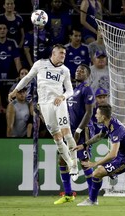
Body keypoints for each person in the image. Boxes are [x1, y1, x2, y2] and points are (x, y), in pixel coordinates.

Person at [8, 44, 79, 180]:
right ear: (53, 53)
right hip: (45, 105)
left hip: (59, 103)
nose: (63, 55)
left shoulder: (65, 70)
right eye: (61, 53)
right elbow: (27, 78)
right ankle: (70, 163)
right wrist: (15, 90)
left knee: (67, 134)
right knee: (57, 138)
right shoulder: (40, 64)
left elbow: (70, 90)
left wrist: (62, 96)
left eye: (64, 53)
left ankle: (75, 165)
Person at [73, 103, 125, 206]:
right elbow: (100, 136)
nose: (95, 116)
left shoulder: (116, 129)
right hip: (123, 155)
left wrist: (94, 163)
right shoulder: (109, 123)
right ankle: (93, 200)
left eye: (97, 114)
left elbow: (113, 154)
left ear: (103, 116)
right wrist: (84, 145)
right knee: (97, 173)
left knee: (97, 172)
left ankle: (92, 200)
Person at [54, 64, 95, 205]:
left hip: (83, 130)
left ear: (87, 75)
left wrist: (78, 130)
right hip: (69, 131)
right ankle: (68, 194)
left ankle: (92, 197)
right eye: (77, 70)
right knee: (62, 159)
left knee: (84, 163)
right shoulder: (71, 91)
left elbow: (89, 113)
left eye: (82, 71)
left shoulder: (86, 89)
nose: (79, 72)